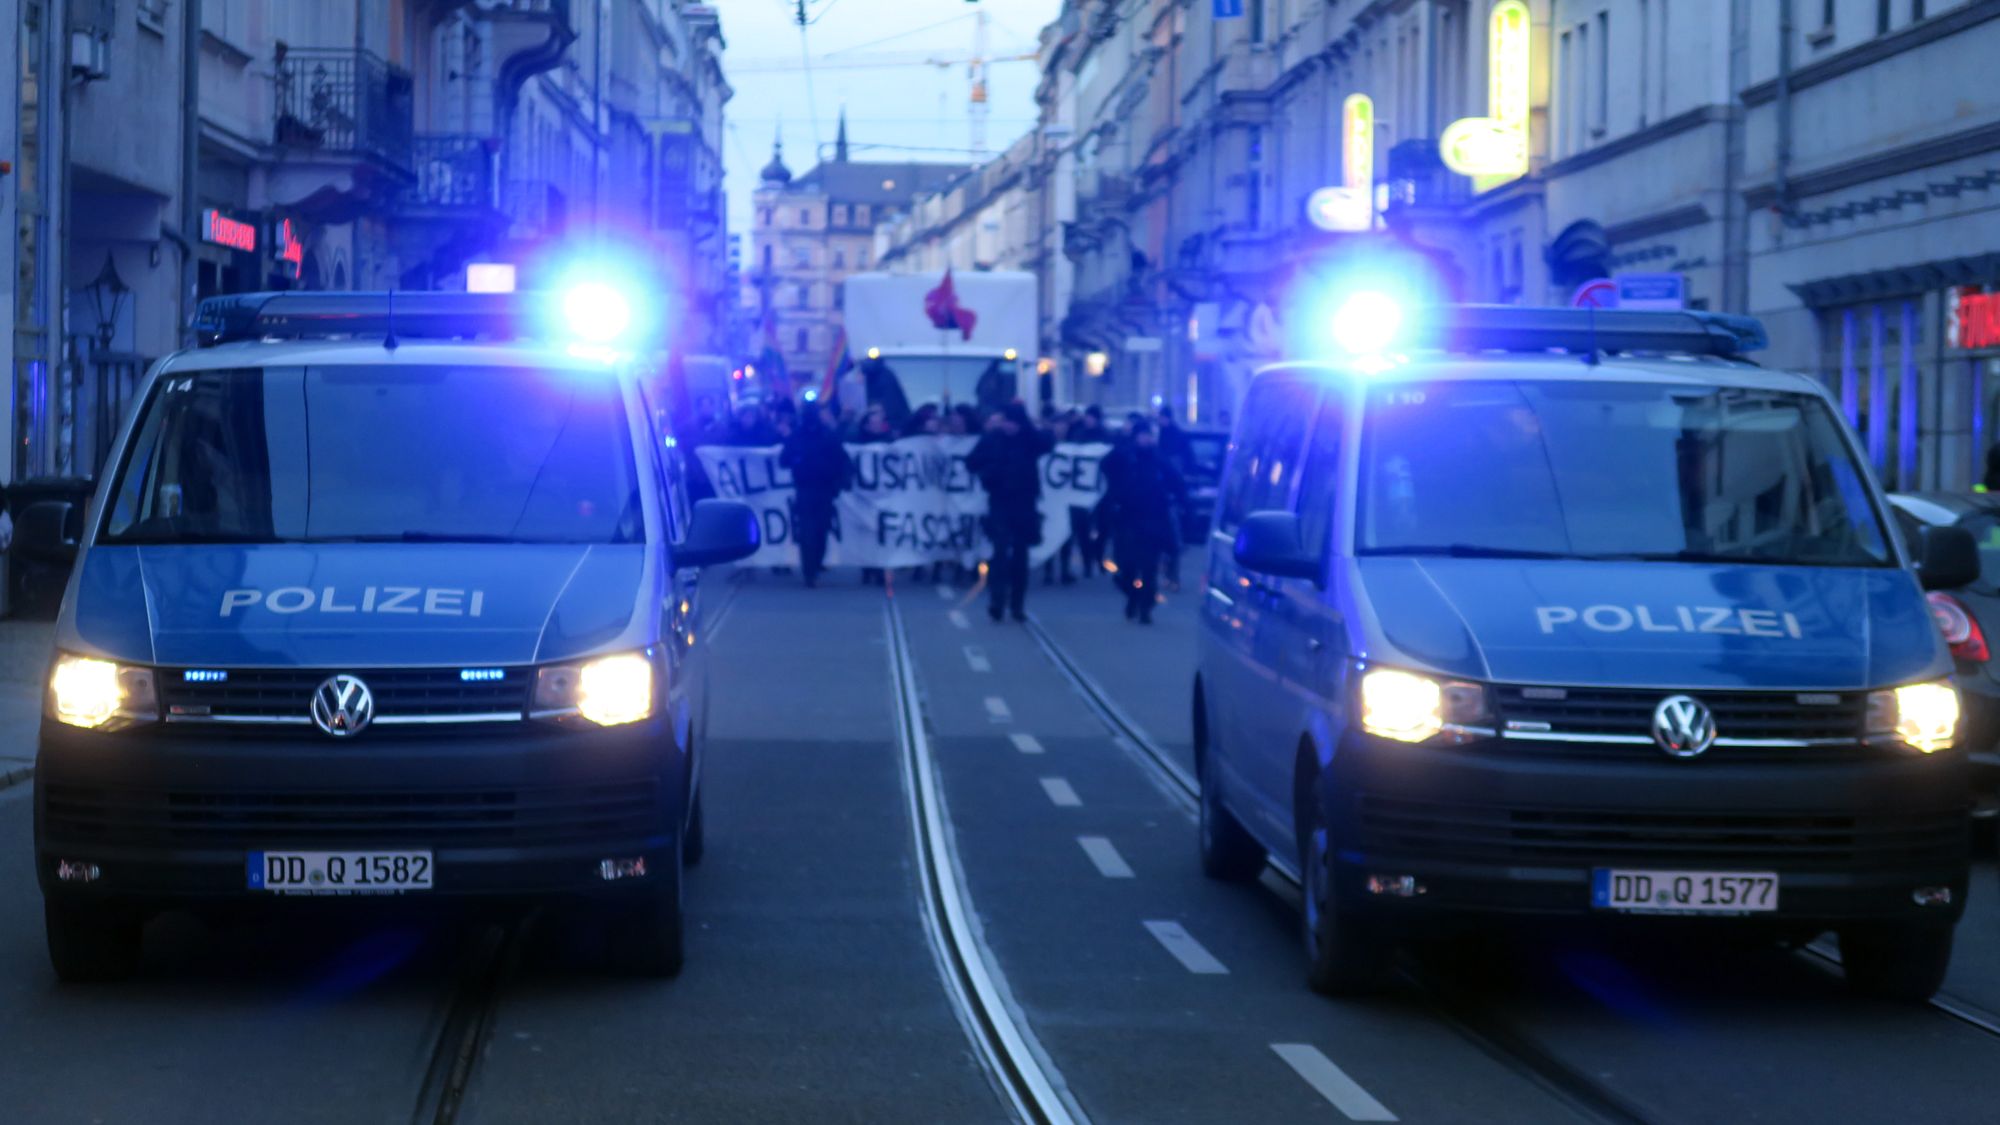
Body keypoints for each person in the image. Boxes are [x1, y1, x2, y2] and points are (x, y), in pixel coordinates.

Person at [965, 403, 1053, 622]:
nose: (1009, 427)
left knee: (1020, 557)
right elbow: (971, 461)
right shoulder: (992, 439)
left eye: (1013, 423)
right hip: (1000, 502)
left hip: (1025, 504)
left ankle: (1017, 604)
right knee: (1000, 553)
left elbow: (1048, 443)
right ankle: (997, 601)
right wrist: (990, 471)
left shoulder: (1029, 440)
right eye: (1007, 422)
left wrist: (1032, 426)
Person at [1099, 419, 1186, 624]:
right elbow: (1106, 466)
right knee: (1125, 568)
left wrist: (1180, 503)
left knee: (1149, 568)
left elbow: (1176, 482)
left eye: (1148, 435)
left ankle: (1146, 607)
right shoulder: (1124, 457)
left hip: (1154, 521)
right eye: (1142, 435)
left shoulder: (1159, 460)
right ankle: (1133, 597)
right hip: (1127, 520)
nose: (1146, 439)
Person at [778, 402, 852, 588]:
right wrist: (798, 460)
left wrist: (841, 481)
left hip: (824, 489)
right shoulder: (799, 436)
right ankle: (809, 571)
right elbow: (784, 460)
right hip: (806, 489)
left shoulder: (827, 436)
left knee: (821, 531)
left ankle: (815, 564)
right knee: (808, 532)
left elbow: (842, 460)